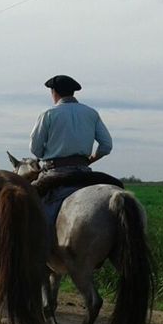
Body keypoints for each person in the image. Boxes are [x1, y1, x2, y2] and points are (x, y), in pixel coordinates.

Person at [29, 74, 113, 228]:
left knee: (28, 205)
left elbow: (35, 149)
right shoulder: (91, 113)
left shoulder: (48, 114)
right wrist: (90, 159)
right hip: (84, 171)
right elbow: (106, 146)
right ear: (72, 92)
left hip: (55, 172)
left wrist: (46, 156)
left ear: (54, 92)